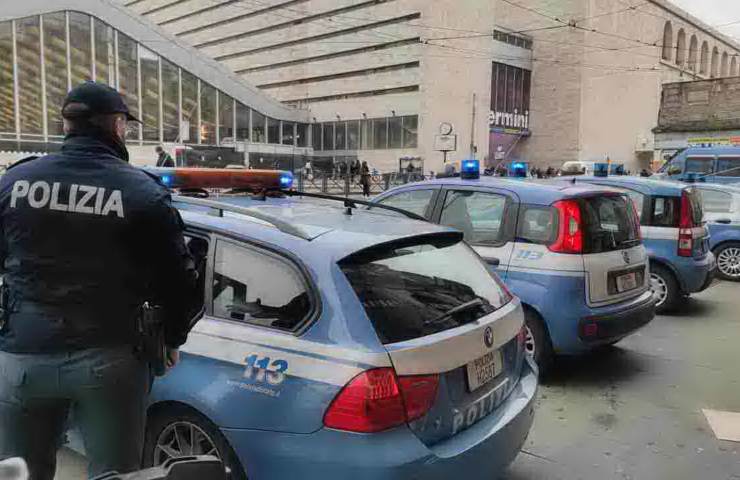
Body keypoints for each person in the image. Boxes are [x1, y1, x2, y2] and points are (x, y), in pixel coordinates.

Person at [0, 82, 200, 479]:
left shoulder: (13, 183)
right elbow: (179, 282)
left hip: (22, 354)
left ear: (67, 124)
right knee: (116, 474)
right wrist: (173, 339)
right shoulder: (140, 191)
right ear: (116, 125)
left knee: (20, 472)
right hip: (109, 358)